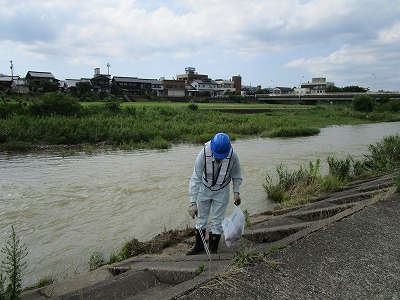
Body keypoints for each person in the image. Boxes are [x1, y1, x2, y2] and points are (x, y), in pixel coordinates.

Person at [187, 132, 243, 255]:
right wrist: (192, 202)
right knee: (201, 220)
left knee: (217, 222)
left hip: (221, 191)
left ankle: (213, 249)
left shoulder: (233, 156)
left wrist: (236, 192)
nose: (219, 158)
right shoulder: (203, 154)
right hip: (204, 189)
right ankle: (198, 246)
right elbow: (195, 178)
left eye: (222, 156)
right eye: (218, 155)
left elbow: (237, 174)